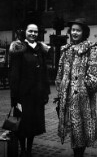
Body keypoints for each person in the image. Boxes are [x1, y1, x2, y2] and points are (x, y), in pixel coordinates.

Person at [55, 18, 97, 157]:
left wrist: (83, 89)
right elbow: (60, 72)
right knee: (72, 130)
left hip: (82, 100)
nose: (75, 33)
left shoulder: (90, 49)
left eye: (78, 30)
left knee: (80, 132)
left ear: (84, 32)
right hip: (67, 98)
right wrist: (61, 89)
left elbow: (96, 76)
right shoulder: (66, 50)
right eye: (73, 30)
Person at [9, 23, 51, 157]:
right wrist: (14, 96)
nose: (33, 34)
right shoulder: (19, 48)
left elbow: (44, 72)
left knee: (33, 123)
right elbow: (14, 74)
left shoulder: (40, 49)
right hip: (23, 94)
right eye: (30, 31)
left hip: (37, 94)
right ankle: (23, 150)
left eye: (35, 32)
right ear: (25, 32)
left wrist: (46, 92)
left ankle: (29, 149)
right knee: (21, 123)